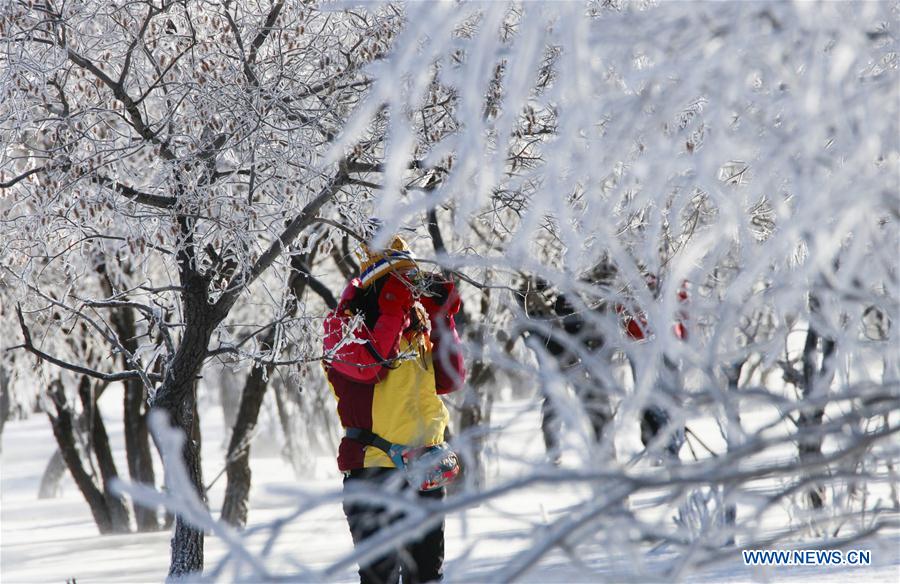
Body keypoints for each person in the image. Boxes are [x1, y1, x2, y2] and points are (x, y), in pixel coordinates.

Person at [322, 233, 465, 584]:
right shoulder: (342, 330)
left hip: (425, 470)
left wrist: (442, 318)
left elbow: (452, 378)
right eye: (397, 282)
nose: (408, 292)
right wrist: (390, 309)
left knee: (427, 577)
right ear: (376, 286)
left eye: (410, 283)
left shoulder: (416, 333)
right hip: (374, 473)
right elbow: (369, 366)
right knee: (380, 578)